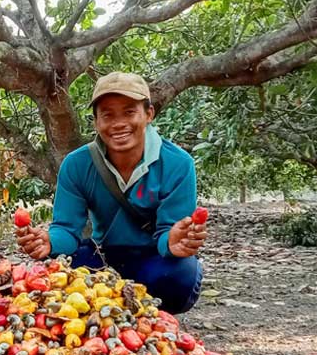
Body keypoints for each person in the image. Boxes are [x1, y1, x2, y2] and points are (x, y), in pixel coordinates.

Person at [17, 72, 206, 314]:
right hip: (104, 258)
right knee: (53, 269)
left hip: (153, 258)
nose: (118, 123)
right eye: (107, 114)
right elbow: (66, 229)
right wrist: (48, 242)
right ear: (96, 122)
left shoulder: (178, 164)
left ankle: (155, 320)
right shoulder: (77, 164)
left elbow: (168, 234)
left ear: (149, 114)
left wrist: (174, 241)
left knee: (181, 274)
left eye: (129, 112)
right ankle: (101, 317)